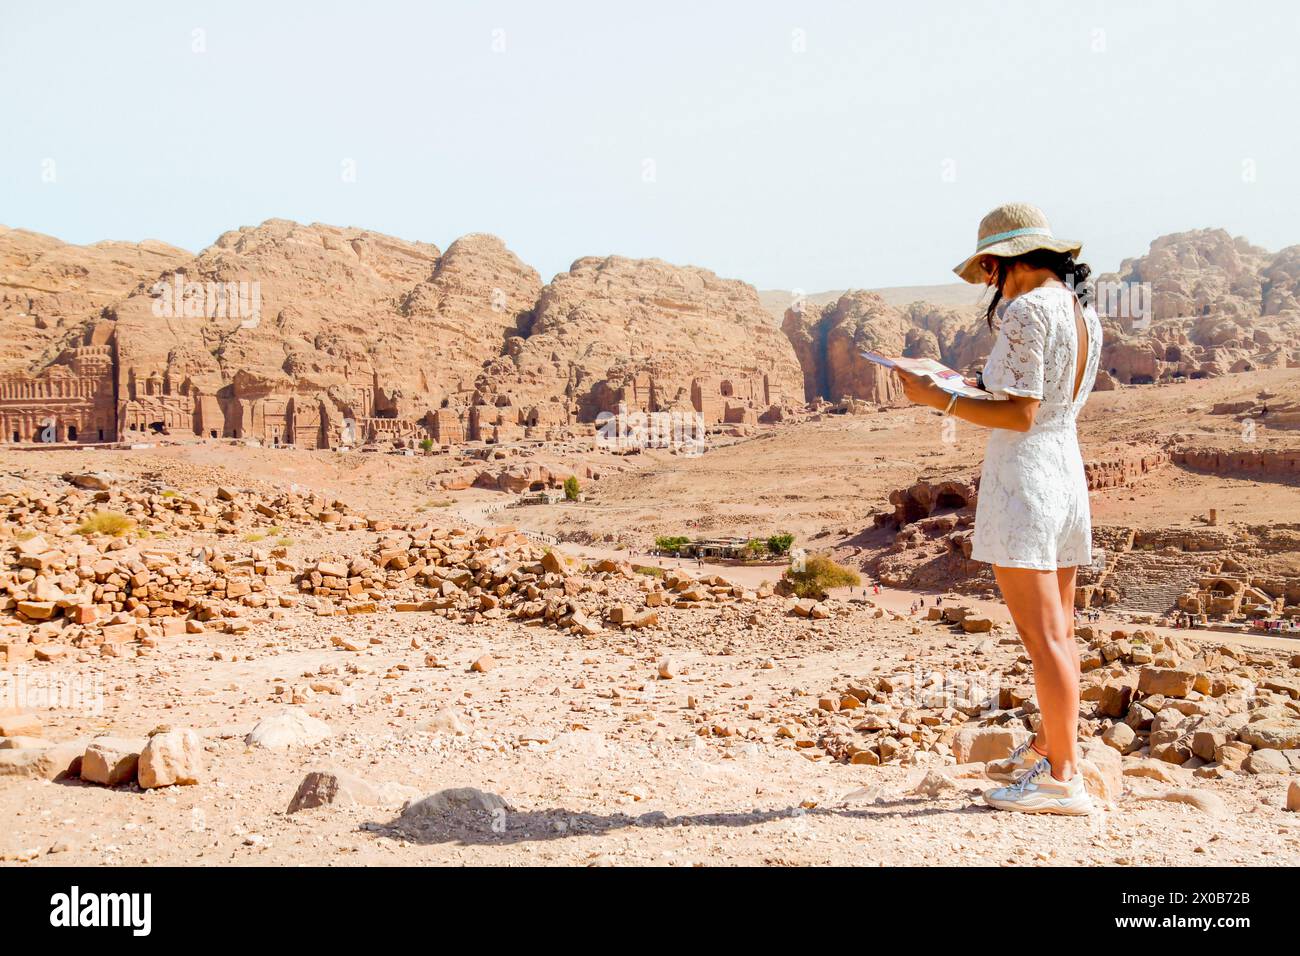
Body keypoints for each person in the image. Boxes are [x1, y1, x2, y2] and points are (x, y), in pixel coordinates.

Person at [895, 202, 1101, 815]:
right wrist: (971, 386)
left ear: (995, 262)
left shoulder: (1027, 310)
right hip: (1066, 472)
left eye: (987, 270)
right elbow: (1039, 397)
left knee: (1043, 642)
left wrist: (940, 401)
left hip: (1025, 482)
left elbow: (1019, 414)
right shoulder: (1078, 309)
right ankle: (1052, 747)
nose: (988, 282)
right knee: (1061, 633)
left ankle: (1062, 781)